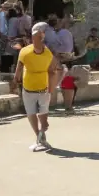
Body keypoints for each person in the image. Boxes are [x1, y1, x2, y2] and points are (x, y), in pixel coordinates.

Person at [15, 21, 60, 151]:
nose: (39, 40)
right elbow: (19, 68)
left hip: (43, 89)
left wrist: (51, 90)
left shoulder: (48, 53)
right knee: (31, 113)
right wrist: (15, 80)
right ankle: (40, 138)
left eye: (41, 37)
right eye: (36, 37)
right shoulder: (24, 51)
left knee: (44, 120)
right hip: (28, 89)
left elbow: (53, 71)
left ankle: (41, 137)